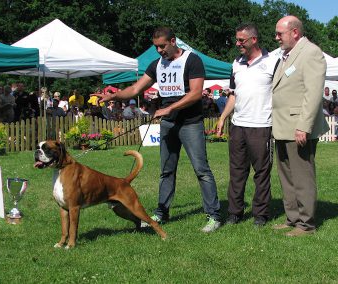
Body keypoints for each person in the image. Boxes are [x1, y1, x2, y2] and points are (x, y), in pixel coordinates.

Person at [96, 27, 221, 232]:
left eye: (162, 46)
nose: (159, 50)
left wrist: (169, 108)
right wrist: (115, 96)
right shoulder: (157, 65)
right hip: (168, 124)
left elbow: (197, 93)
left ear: (173, 41)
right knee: (166, 171)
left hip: (190, 123)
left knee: (202, 170)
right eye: (156, 47)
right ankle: (161, 213)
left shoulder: (192, 60)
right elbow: (136, 89)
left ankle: (214, 216)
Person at [216, 23, 278, 227]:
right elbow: (233, 95)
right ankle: (235, 213)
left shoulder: (273, 62)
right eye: (237, 39)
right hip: (238, 126)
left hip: (261, 126)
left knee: (261, 173)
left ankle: (260, 215)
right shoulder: (236, 63)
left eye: (241, 40)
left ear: (254, 39)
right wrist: (223, 116)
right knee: (237, 172)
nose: (237, 43)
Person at [272, 15, 329, 237]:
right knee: (287, 176)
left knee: (302, 177)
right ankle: (293, 218)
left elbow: (313, 94)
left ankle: (306, 224)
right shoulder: (287, 55)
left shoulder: (311, 53)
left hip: (298, 127)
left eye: (280, 33)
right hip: (283, 126)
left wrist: (303, 126)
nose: (276, 37)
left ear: (295, 32)